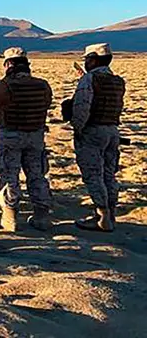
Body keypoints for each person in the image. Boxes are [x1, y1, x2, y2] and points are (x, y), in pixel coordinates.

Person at [0, 48, 54, 232]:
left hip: (9, 136)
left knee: (9, 175)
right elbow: (47, 104)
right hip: (35, 136)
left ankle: (10, 217)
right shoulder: (43, 85)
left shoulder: (0, 86)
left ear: (8, 65)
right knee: (37, 175)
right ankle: (42, 216)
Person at [70, 43, 126, 233]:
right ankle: (110, 214)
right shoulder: (118, 81)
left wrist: (78, 128)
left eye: (87, 59)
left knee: (93, 175)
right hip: (113, 131)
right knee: (109, 174)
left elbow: (82, 108)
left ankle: (102, 217)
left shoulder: (90, 79)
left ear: (93, 60)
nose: (85, 63)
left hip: (93, 131)